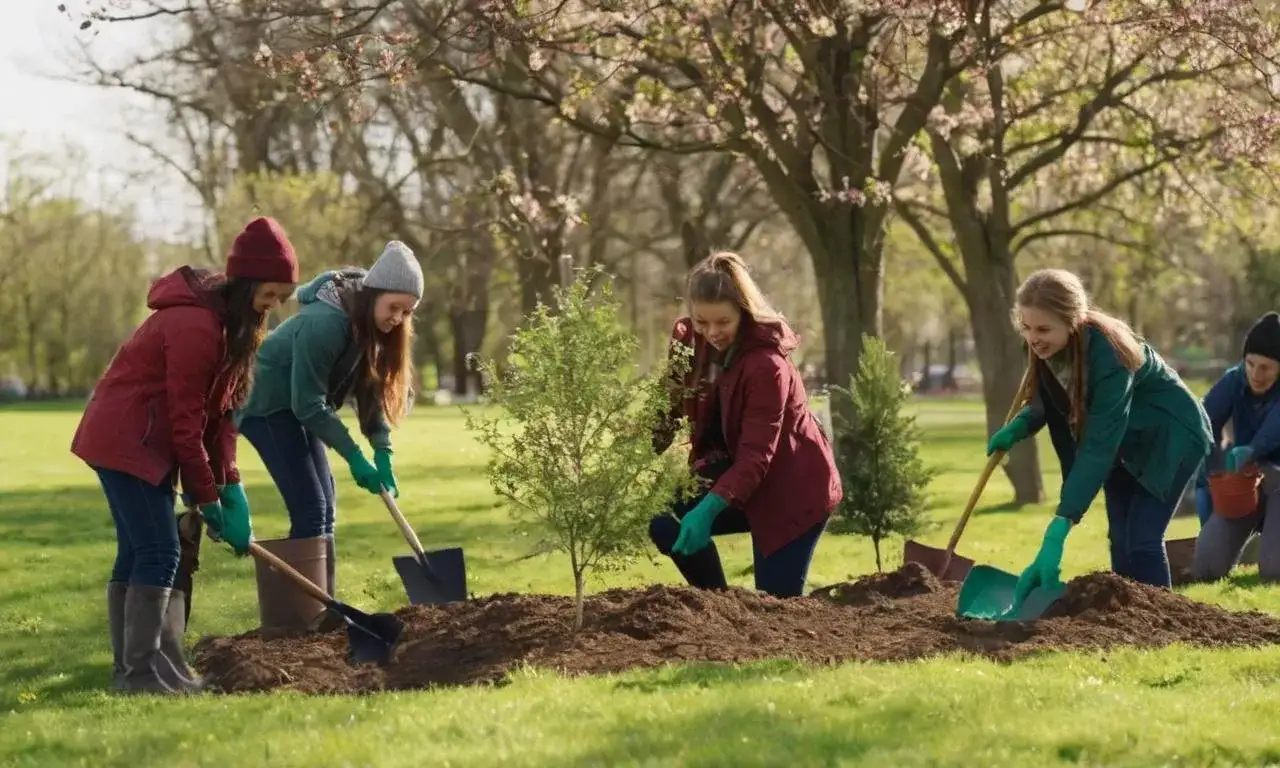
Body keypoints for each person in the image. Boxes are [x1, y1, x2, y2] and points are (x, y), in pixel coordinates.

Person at [71, 217, 299, 694]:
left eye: (281, 297)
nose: (274, 307)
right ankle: (141, 676)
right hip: (126, 439)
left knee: (139, 551)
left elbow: (222, 420)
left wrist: (230, 489)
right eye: (270, 294)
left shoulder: (234, 327)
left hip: (141, 440)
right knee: (160, 550)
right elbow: (185, 423)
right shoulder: (196, 325)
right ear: (248, 282)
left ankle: (146, 669)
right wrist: (206, 498)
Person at [987, 268, 1212, 611]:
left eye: (1043, 329)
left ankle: (1165, 624)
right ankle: (1127, 620)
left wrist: (1059, 529)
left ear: (1073, 320)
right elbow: (1051, 397)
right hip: (1124, 441)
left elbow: (1098, 446)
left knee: (1142, 541)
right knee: (1120, 541)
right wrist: (1020, 425)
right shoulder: (1049, 348)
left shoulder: (1110, 356)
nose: (1033, 338)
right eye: (1027, 327)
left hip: (1169, 437)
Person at [236, 241, 422, 606]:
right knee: (310, 507)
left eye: (407, 311)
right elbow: (307, 404)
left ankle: (325, 608)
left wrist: (382, 451)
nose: (398, 317)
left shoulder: (370, 329)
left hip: (298, 406)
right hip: (267, 406)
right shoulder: (325, 324)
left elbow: (369, 395)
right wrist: (354, 456)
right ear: (373, 295)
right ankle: (301, 617)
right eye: (394, 306)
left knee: (326, 506)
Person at [648, 251, 842, 598]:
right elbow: (669, 403)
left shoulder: (767, 365)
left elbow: (756, 458)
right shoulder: (689, 340)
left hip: (789, 491)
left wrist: (707, 510)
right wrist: (634, 451)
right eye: (701, 321)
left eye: (722, 322)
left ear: (744, 311)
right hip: (733, 475)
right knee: (662, 516)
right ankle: (720, 607)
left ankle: (754, 621)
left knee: (775, 609)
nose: (711, 333)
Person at [1191, 311, 1280, 582]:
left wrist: (1252, 449)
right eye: (1250, 364)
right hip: (1246, 481)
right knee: (1206, 569)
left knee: (1274, 571)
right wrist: (1214, 464)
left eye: (1265, 367)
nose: (1256, 374)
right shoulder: (1234, 379)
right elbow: (1204, 421)